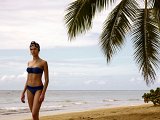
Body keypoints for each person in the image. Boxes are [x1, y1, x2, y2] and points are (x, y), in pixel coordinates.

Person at [21, 41, 49, 120]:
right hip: (29, 89)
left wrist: (43, 94)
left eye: (35, 49)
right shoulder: (29, 63)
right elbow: (28, 79)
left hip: (38, 89)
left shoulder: (43, 62)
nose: (33, 51)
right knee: (34, 115)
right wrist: (23, 92)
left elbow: (46, 80)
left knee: (34, 113)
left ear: (38, 50)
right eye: (31, 49)